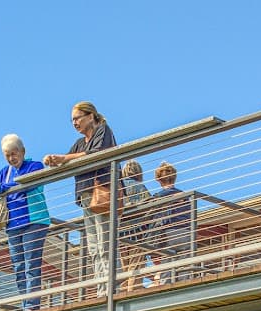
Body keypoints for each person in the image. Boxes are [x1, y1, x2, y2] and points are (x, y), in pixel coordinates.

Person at [43, 102, 117, 294]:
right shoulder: (79, 143)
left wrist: (64, 158)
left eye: (78, 118)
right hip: (86, 196)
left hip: (102, 192)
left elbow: (96, 154)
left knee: (105, 243)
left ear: (90, 116)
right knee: (93, 246)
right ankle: (103, 288)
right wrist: (54, 160)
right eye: (72, 120)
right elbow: (67, 160)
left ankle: (111, 288)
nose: (74, 122)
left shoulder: (103, 131)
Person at [0, 133, 51, 311]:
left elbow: (27, 183)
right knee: (19, 267)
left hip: (34, 221)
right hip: (13, 225)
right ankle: (25, 305)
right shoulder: (4, 172)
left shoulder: (34, 165)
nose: (11, 158)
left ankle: (31, 306)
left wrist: (2, 187)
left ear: (23, 152)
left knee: (31, 264)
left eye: (14, 153)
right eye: (7, 155)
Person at [150, 161, 194, 285]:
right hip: (186, 233)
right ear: (174, 177)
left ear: (158, 180)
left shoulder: (158, 197)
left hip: (168, 233)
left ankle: (165, 289)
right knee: (184, 270)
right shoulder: (185, 196)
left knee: (166, 268)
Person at [117, 160, 152, 291]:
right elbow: (149, 209)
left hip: (120, 233)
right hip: (137, 233)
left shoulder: (119, 187)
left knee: (125, 268)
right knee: (135, 267)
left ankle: (124, 292)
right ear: (139, 173)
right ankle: (133, 293)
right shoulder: (140, 187)